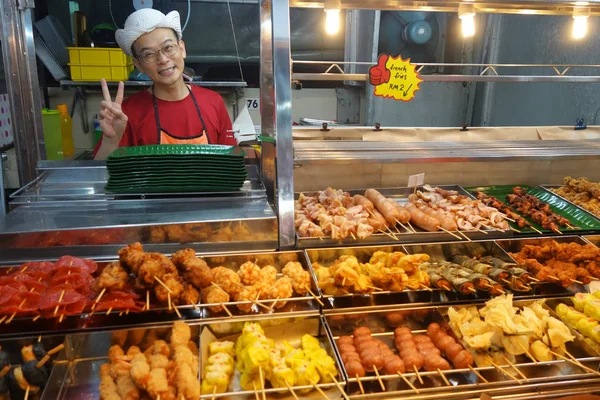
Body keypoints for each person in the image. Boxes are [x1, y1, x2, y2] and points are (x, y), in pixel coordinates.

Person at [94, 9, 236, 160]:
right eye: (148, 54)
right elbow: (100, 173)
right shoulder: (126, 114)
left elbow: (231, 161)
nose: (162, 59)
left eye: (168, 47)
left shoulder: (214, 102)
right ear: (139, 65)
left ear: (181, 48)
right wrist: (111, 141)